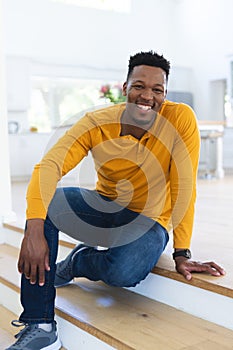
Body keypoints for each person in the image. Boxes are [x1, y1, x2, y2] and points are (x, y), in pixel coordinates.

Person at [7, 51, 225, 350]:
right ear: (125, 88)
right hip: (104, 208)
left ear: (165, 93)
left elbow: (184, 186)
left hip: (151, 221)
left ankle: (80, 261)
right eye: (139, 86)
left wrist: (182, 251)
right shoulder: (96, 122)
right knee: (46, 204)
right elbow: (49, 166)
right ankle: (40, 324)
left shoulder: (180, 119)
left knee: (122, 272)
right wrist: (33, 228)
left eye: (157, 90)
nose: (147, 96)